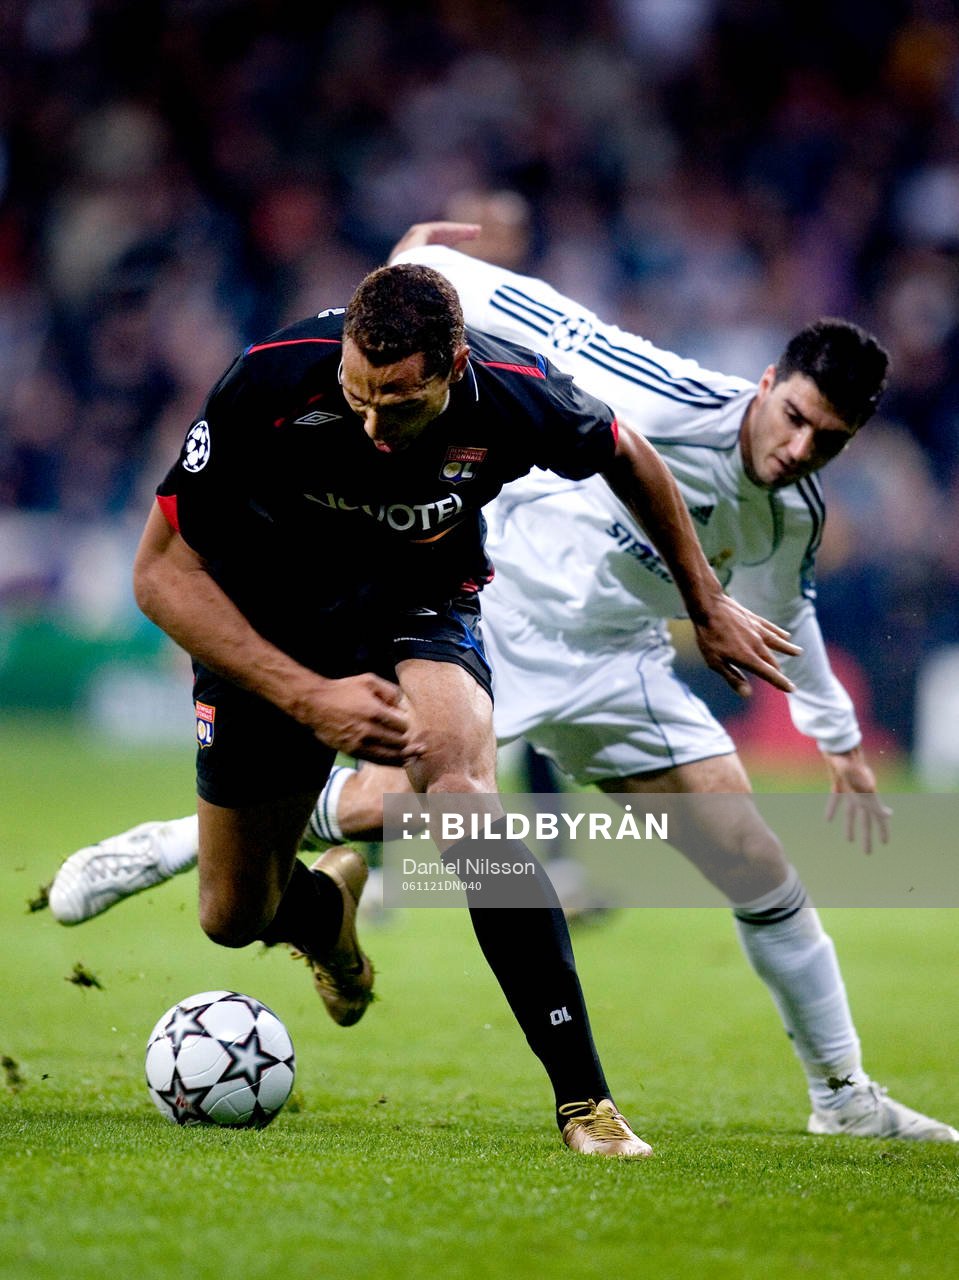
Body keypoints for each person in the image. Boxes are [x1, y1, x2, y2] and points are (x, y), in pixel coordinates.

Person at [48, 234, 955, 1143]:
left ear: (454, 367)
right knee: (233, 915)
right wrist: (305, 696)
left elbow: (632, 462)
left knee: (468, 800)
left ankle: (597, 1100)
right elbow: (159, 575)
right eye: (359, 396)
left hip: (451, 609)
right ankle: (298, 897)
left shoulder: (517, 397)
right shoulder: (272, 380)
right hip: (289, 615)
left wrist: (715, 612)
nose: (372, 426)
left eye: (398, 404)